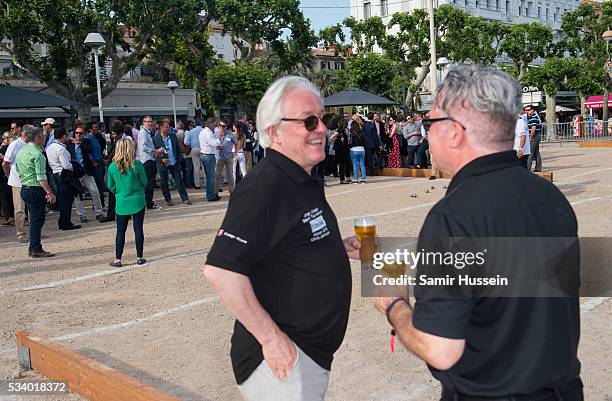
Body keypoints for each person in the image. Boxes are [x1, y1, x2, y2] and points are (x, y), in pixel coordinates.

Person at [373, 65, 582, 401]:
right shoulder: (550, 198)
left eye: (430, 123)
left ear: (455, 132)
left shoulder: (453, 216)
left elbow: (440, 350)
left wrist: (394, 304)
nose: (426, 134)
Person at [204, 76, 360, 401]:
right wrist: (272, 341)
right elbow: (221, 270)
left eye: (324, 119)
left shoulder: (302, 177)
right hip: (281, 361)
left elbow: (289, 241)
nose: (321, 129)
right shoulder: (265, 185)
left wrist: (333, 248)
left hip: (309, 355)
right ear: (273, 131)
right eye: (309, 121)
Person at [15, 127, 57, 257]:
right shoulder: (38, 154)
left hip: (25, 187)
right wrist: (49, 193)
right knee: (37, 220)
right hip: (35, 189)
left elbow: (18, 170)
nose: (45, 139)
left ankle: (34, 247)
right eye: (43, 137)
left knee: (35, 219)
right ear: (38, 138)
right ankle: (35, 248)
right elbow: (41, 177)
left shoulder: (21, 151)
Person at [107, 139, 147, 268]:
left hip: (122, 201)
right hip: (137, 200)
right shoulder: (137, 164)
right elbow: (145, 182)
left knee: (120, 231)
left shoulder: (112, 167)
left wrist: (119, 192)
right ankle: (139, 257)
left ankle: (118, 259)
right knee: (138, 229)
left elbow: (110, 186)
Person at [72, 126, 110, 223]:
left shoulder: (86, 142)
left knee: (95, 192)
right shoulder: (70, 144)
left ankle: (99, 213)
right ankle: (82, 215)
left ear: (84, 134)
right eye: (76, 133)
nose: (78, 135)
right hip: (76, 173)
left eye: (80, 133)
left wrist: (79, 144)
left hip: (87, 171)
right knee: (78, 195)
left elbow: (88, 149)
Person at [46, 127, 80, 230]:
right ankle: (66, 222)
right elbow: (66, 165)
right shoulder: (61, 149)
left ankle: (62, 221)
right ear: (63, 136)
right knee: (67, 200)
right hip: (64, 174)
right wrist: (74, 167)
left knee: (62, 198)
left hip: (55, 173)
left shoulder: (50, 147)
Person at [2, 124, 31, 242]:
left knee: (32, 208)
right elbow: (5, 163)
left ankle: (33, 232)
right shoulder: (15, 145)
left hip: (30, 180)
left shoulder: (32, 143)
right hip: (18, 181)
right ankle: (21, 234)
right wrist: (9, 176)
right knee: (19, 209)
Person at [153, 121, 191, 206]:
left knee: (179, 180)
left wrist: (178, 160)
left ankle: (185, 198)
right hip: (163, 164)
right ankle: (168, 199)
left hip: (174, 162)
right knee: (164, 182)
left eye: (169, 127)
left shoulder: (173, 137)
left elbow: (178, 149)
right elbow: (154, 153)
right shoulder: (155, 139)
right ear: (161, 128)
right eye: (167, 127)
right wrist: (161, 160)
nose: (169, 128)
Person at [137, 116, 164, 210]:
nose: (150, 123)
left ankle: (149, 202)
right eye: (147, 122)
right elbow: (143, 147)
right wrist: (156, 151)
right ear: (143, 122)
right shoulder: (143, 132)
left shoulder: (146, 132)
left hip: (149, 159)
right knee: (149, 183)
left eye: (151, 122)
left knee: (149, 183)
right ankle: (149, 203)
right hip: (147, 160)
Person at [199, 117, 221, 202]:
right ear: (210, 123)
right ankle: (211, 196)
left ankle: (211, 194)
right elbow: (213, 143)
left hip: (205, 154)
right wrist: (218, 139)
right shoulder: (208, 133)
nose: (215, 126)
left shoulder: (203, 132)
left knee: (209, 177)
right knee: (210, 177)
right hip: (208, 155)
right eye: (214, 124)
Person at [214, 120, 236, 195]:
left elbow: (236, 143)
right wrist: (219, 138)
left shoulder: (230, 134)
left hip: (228, 156)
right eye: (220, 125)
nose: (221, 127)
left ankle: (232, 191)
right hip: (219, 157)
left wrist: (235, 152)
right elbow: (213, 144)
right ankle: (215, 191)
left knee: (230, 174)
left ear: (226, 127)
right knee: (217, 175)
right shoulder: (216, 134)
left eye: (223, 126)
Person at [0, 132, 14, 226]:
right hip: (6, 175)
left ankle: (8, 217)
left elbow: (5, 163)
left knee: (5, 197)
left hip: (5, 176)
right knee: (7, 197)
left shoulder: (5, 148)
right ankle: (9, 217)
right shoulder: (6, 148)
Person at [185, 119, 203, 189]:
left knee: (196, 167)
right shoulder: (203, 130)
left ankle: (197, 184)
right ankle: (206, 183)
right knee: (204, 167)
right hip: (202, 148)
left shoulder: (191, 131)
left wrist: (191, 143)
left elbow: (186, 142)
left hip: (194, 149)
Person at [332, 119, 350, 184]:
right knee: (342, 164)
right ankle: (342, 179)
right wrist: (339, 139)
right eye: (346, 123)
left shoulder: (346, 130)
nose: (347, 124)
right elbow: (332, 137)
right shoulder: (339, 130)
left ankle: (347, 177)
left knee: (347, 163)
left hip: (345, 148)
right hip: (340, 149)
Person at [525, 105, 543, 172]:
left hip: (534, 136)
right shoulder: (529, 117)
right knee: (536, 152)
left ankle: (527, 168)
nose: (527, 111)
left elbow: (533, 129)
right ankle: (538, 168)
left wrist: (530, 137)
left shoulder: (534, 117)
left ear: (532, 110)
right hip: (535, 136)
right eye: (526, 110)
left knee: (530, 153)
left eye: (528, 110)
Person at [363, 112, 381, 176]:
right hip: (373, 144)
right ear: (373, 117)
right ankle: (371, 172)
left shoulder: (364, 125)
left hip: (366, 144)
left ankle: (370, 171)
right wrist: (378, 145)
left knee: (369, 158)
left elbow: (364, 135)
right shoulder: (373, 125)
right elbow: (375, 136)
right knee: (372, 158)